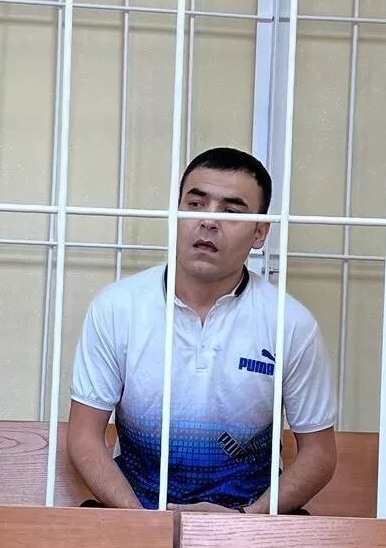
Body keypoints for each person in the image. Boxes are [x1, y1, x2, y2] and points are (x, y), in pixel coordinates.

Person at [67, 147, 336, 514]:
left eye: (231, 212)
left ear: (260, 232)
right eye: (195, 204)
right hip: (135, 514)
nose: (209, 221)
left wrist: (245, 521)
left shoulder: (291, 322)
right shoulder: (116, 307)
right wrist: (143, 523)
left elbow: (319, 454)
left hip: (249, 520)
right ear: (176, 213)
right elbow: (84, 437)